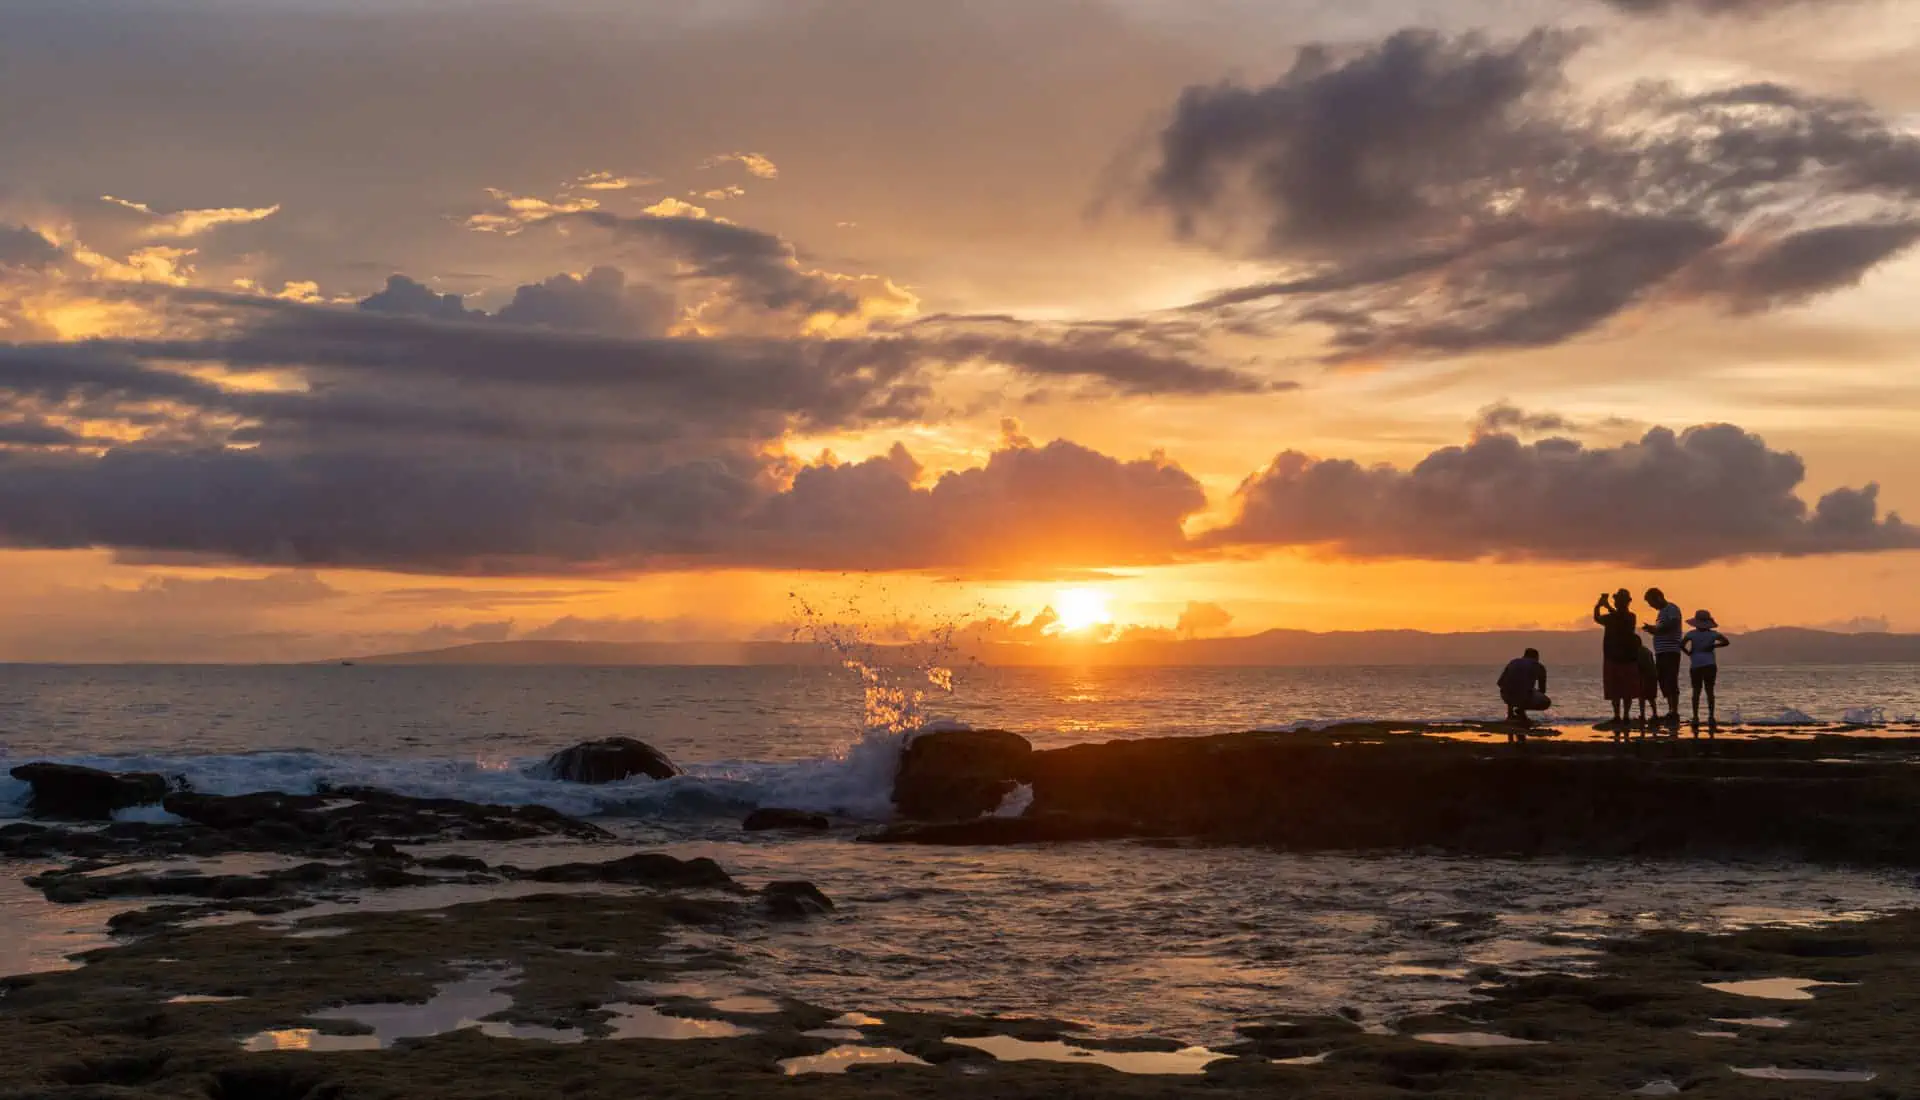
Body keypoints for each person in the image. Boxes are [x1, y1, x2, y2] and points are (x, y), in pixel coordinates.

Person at [1593, 589, 1640, 727]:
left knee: (1617, 689)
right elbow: (1612, 617)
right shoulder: (1630, 616)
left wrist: (1600, 605)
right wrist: (1603, 606)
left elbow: (1599, 618)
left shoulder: (1622, 617)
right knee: (1624, 690)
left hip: (1615, 657)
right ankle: (1623, 716)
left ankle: (1619, 716)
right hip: (1625, 657)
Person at [1682, 609, 1731, 732]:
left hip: (1696, 665)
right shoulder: (1713, 634)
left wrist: (1689, 653)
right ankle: (1711, 717)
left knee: (1696, 692)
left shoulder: (1691, 634)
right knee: (1710, 691)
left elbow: (1681, 645)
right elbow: (1726, 642)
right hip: (1710, 664)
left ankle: (1695, 717)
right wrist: (1714, 646)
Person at [1641, 588, 1683, 724]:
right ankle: (1671, 710)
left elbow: (1673, 624)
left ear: (1658, 597)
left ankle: (1674, 711)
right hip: (1662, 651)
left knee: (1670, 679)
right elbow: (1663, 629)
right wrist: (1653, 630)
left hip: (1670, 651)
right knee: (1664, 681)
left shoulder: (1671, 608)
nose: (1651, 606)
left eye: (1651, 602)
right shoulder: (1661, 613)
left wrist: (1655, 629)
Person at [1497, 648, 1551, 725]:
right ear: (1536, 657)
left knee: (1511, 688)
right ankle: (1520, 710)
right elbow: (1542, 689)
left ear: (1524, 655)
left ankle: (1510, 715)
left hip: (1506, 696)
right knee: (1546, 702)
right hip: (1523, 697)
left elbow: (1500, 683)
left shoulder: (1513, 662)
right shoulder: (1539, 666)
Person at [1634, 638, 1658, 726]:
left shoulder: (1638, 652)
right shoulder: (1646, 650)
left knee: (1642, 697)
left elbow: (1640, 666)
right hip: (1652, 675)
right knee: (1651, 697)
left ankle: (1643, 716)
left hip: (1645, 675)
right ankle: (1655, 714)